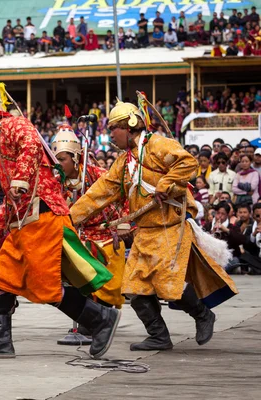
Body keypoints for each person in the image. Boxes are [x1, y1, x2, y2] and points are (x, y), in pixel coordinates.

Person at [0, 77, 119, 360]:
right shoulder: (2, 145)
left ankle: (100, 319)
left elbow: (32, 142)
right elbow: (11, 202)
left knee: (43, 286)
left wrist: (21, 179)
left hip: (43, 216)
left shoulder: (13, 124)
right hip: (24, 224)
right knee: (3, 276)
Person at [70, 97, 238, 352]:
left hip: (170, 228)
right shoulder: (122, 163)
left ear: (129, 126)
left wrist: (165, 184)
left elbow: (187, 162)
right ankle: (159, 335)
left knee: (168, 284)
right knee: (134, 288)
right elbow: (99, 193)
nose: (110, 134)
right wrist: (70, 217)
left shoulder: (158, 144)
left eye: (113, 128)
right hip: (145, 232)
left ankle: (203, 315)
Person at [51, 125, 129, 312]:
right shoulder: (55, 182)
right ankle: (91, 317)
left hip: (105, 232)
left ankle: (101, 316)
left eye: (62, 159)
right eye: (55, 160)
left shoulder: (97, 174)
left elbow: (125, 192)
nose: (58, 164)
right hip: (76, 236)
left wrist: (124, 221)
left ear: (75, 157)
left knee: (108, 282)